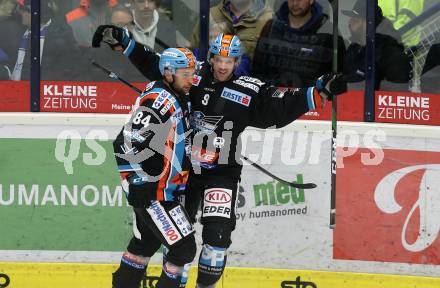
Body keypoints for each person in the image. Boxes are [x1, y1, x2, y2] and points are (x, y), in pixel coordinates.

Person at [93, 27, 346, 288]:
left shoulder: (249, 89)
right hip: (185, 175)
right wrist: (125, 43)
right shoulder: (192, 74)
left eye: (229, 61)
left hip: (222, 175)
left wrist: (320, 90)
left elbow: (279, 106)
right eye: (219, 60)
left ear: (237, 62)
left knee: (217, 239)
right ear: (211, 58)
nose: (223, 66)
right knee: (179, 240)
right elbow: (159, 65)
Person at [111, 46, 197, 288]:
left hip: (162, 188)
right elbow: (126, 141)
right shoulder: (159, 101)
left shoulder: (175, 93)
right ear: (168, 73)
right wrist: (138, 181)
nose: (191, 80)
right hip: (154, 192)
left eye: (192, 73)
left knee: (146, 243)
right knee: (183, 248)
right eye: (185, 74)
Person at [252, 0, 345, 87]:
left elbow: (337, 79)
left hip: (311, 100)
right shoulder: (272, 27)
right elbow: (257, 70)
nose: (295, 4)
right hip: (271, 97)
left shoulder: (329, 32)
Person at [342, 0, 411, 89]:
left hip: (373, 102)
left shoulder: (391, 54)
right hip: (350, 101)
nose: (349, 23)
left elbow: (396, 93)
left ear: (368, 24)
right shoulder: (354, 48)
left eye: (355, 20)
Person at [190, 0, 273, 61]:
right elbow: (192, 56)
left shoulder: (268, 21)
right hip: (210, 82)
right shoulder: (210, 15)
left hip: (249, 82)